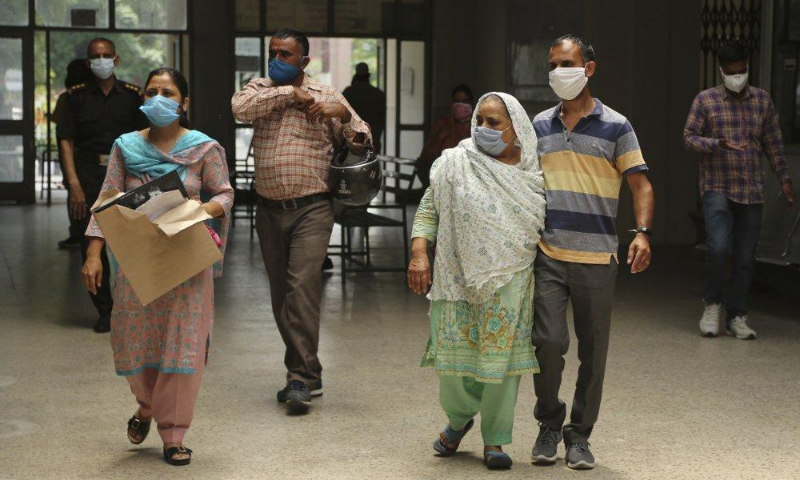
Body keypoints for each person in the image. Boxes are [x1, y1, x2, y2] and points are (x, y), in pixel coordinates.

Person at [81, 67, 233, 466]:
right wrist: (94, 252)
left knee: (182, 348)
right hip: (138, 264)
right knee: (138, 343)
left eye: (168, 92)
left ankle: (173, 433)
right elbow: (106, 201)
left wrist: (199, 210)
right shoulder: (125, 146)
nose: (158, 98)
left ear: (184, 103)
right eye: (151, 91)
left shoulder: (205, 149)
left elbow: (225, 194)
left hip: (187, 265)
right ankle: (145, 406)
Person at [231, 28, 371, 415]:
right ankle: (309, 369)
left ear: (304, 61)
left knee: (301, 288)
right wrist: (290, 94)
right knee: (281, 295)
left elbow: (363, 140)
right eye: (273, 52)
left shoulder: (328, 95)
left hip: (313, 207)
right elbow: (240, 110)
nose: (277, 59)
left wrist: (343, 115)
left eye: (286, 54)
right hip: (269, 209)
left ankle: (300, 377)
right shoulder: (257, 89)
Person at [530, 35, 654, 470]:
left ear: (589, 68)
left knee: (593, 352)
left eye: (567, 62)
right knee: (546, 343)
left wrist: (641, 233)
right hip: (548, 253)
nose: (559, 70)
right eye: (553, 64)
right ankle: (548, 424)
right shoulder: (539, 125)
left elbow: (641, 184)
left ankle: (579, 434)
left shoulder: (617, 126)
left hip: (598, 258)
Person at [408, 92, 547, 470]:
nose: (483, 128)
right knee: (452, 367)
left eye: (494, 122)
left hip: (510, 279)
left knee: (500, 365)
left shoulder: (533, 172)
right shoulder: (455, 160)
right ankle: (458, 420)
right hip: (456, 278)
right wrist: (420, 252)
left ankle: (496, 440)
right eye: (480, 120)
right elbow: (428, 207)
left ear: (516, 128)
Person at [684, 42, 794, 340]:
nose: (737, 77)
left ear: (748, 67)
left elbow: (772, 141)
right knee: (719, 247)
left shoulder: (762, 101)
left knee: (746, 257)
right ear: (722, 72)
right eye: (732, 72)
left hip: (751, 188)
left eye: (742, 71)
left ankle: (737, 315)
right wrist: (717, 143)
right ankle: (712, 305)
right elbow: (689, 137)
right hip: (717, 185)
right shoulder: (706, 101)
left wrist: (784, 179)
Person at [57, 37, 148, 333]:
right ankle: (105, 310)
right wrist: (74, 185)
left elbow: (146, 137)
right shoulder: (74, 98)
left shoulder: (133, 96)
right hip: (88, 175)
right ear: (88, 62)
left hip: (125, 174)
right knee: (91, 246)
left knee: (131, 243)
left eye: (107, 55)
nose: (102, 61)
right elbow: (66, 143)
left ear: (116, 59)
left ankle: (133, 306)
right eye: (96, 56)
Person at [53, 59, 93, 250]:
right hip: (80, 155)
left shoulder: (68, 97)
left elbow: (57, 121)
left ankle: (78, 232)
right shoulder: (81, 96)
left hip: (73, 155)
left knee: (75, 195)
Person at [417, 84, 475, 189]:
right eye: (457, 101)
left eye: (465, 101)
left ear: (472, 103)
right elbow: (426, 159)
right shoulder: (442, 126)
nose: (460, 105)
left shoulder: (478, 127)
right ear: (451, 103)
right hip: (444, 184)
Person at [343, 62, 386, 152]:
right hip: (373, 139)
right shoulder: (378, 94)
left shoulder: (348, 92)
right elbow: (382, 120)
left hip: (352, 141)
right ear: (368, 75)